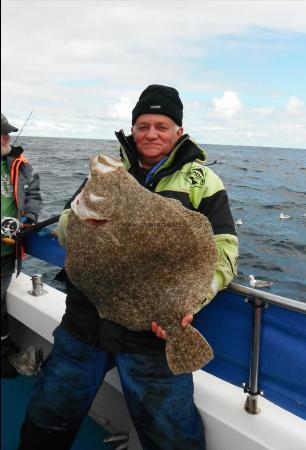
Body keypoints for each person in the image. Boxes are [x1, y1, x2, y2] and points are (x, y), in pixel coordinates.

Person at [18, 85, 239, 450]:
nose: (151, 133)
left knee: (172, 438)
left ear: (178, 132)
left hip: (153, 337)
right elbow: (64, 231)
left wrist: (191, 301)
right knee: (47, 419)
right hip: (86, 322)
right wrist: (78, 220)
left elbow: (224, 249)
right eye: (143, 125)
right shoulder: (110, 175)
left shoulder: (203, 182)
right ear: (133, 129)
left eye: (162, 126)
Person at [1, 113, 42, 378]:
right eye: (2, 133)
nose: (7, 137)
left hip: (7, 252)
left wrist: (27, 218)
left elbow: (35, 196)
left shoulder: (21, 166)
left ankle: (4, 348)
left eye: (7, 133)